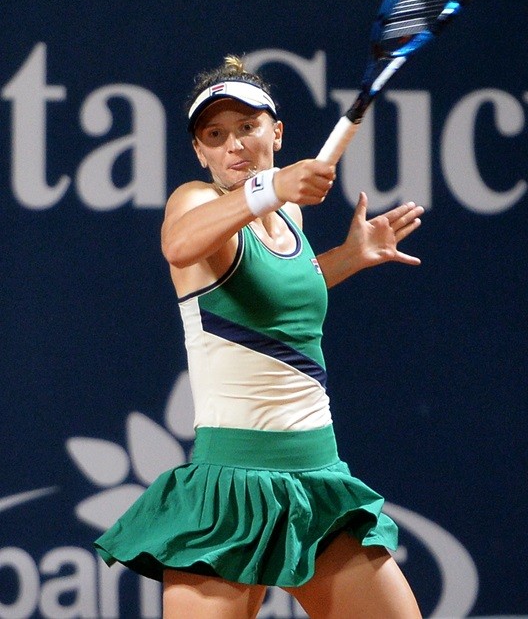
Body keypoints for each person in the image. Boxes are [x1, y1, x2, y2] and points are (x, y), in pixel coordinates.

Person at [94, 55, 426, 619]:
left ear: (277, 133)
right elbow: (179, 246)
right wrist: (269, 185)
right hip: (229, 491)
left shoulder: (289, 212)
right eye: (215, 135)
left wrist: (348, 257)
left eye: (247, 127)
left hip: (316, 481)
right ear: (200, 152)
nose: (234, 145)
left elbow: (276, 293)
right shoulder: (197, 201)